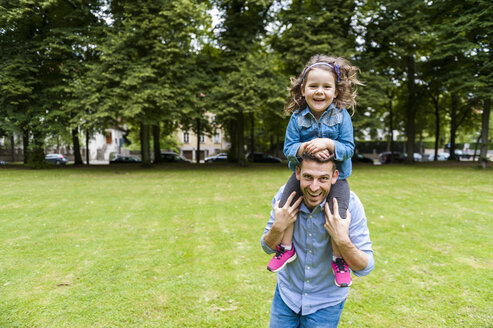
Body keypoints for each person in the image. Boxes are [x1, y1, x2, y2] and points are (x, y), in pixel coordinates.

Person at [266, 54, 363, 288]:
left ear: (336, 92)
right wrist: (304, 147)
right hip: (303, 175)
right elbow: (288, 148)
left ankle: (339, 260)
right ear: (303, 91)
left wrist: (329, 144)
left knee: (338, 215)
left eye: (326, 86)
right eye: (313, 86)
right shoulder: (297, 119)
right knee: (286, 205)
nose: (319, 91)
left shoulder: (341, 118)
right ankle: (286, 249)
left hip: (335, 178)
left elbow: (348, 148)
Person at [261, 152, 374, 327]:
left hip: (326, 304)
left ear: (335, 176)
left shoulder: (350, 205)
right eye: (308, 177)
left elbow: (366, 267)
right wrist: (278, 227)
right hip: (286, 297)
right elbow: (267, 247)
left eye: (323, 179)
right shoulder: (286, 197)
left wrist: (342, 239)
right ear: (297, 173)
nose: (314, 187)